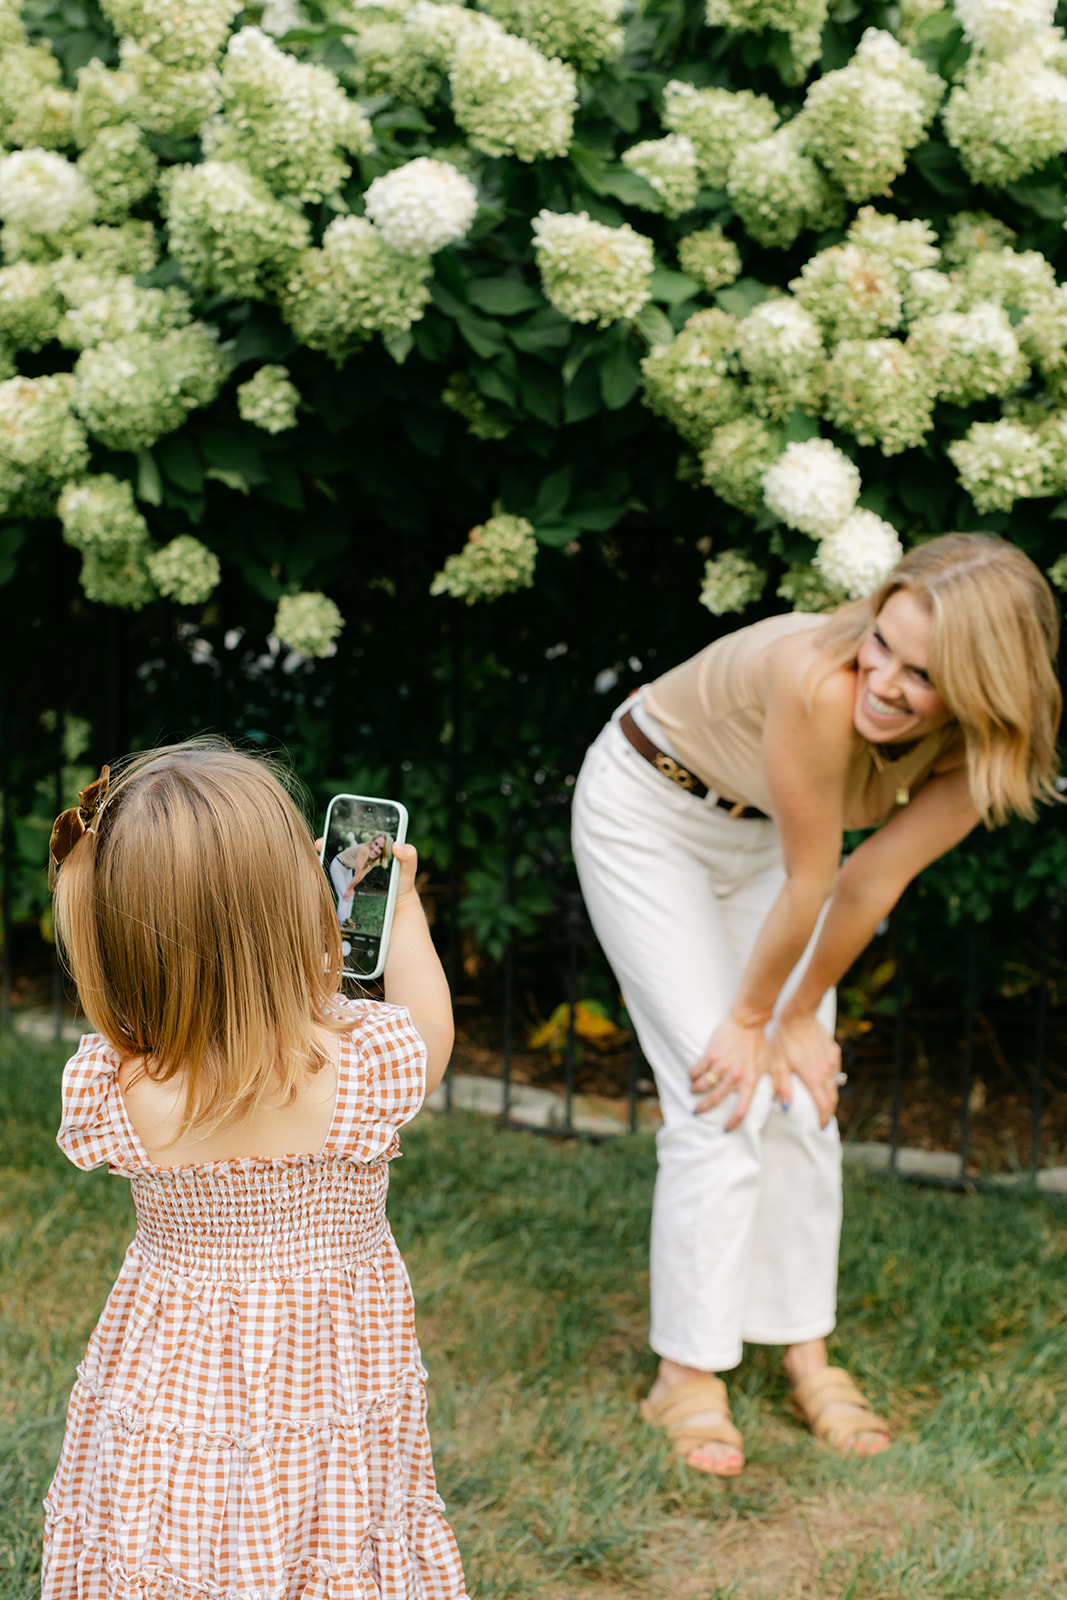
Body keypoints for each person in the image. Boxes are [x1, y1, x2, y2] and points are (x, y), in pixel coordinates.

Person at [572, 534, 1061, 1476]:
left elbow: (865, 886)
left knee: (803, 1100)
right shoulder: (818, 677)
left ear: (982, 686)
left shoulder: (989, 753)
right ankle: (687, 1374)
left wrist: (800, 1022)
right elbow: (812, 880)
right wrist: (760, 1020)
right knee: (725, 1089)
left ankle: (803, 1349)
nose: (881, 679)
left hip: (764, 843)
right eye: (880, 641)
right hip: (649, 809)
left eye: (922, 674)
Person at [42, 740, 468, 1599]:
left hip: (171, 1382)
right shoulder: (368, 1062)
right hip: (335, 1376)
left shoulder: (119, 1088)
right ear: (300, 905)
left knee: (168, 1529)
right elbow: (431, 1028)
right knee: (330, 1522)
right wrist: (406, 907)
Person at [330, 831, 393, 926]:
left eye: (380, 848)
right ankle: (340, 925)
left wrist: (351, 889)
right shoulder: (364, 850)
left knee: (350, 896)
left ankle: (347, 920)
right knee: (344, 895)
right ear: (372, 841)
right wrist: (349, 889)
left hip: (348, 869)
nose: (375, 849)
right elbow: (358, 873)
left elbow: (362, 874)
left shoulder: (376, 858)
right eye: (375, 844)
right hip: (338, 865)